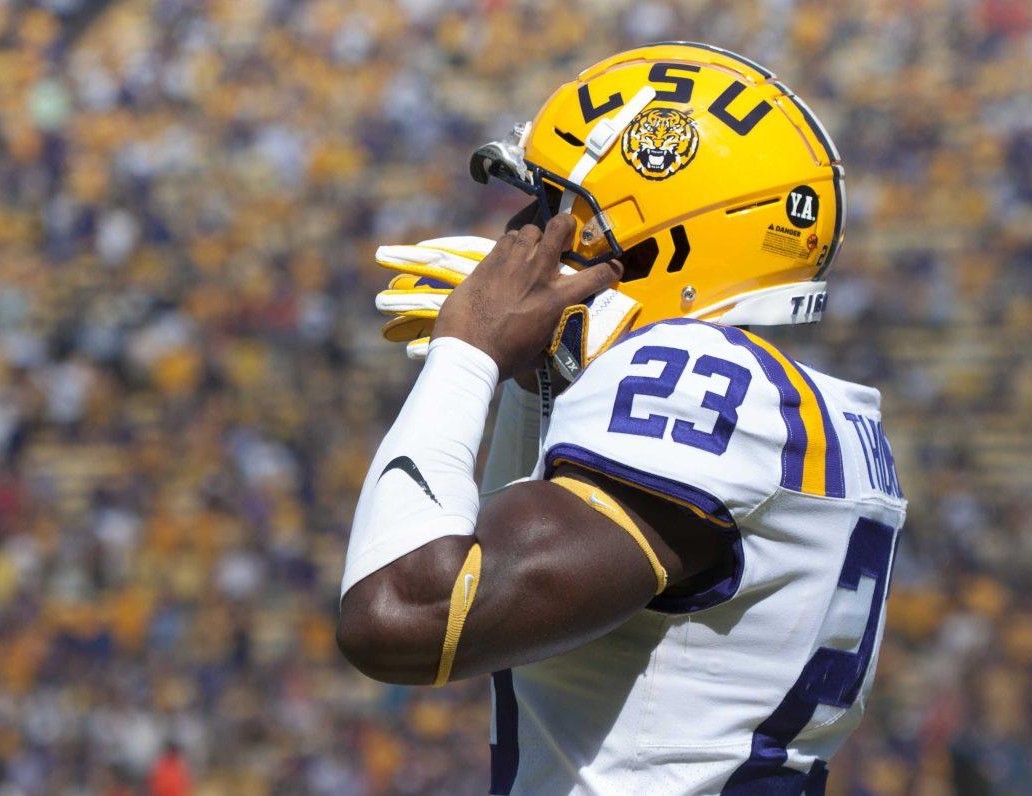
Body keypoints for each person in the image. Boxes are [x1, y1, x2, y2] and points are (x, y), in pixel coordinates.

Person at [337, 43, 907, 794]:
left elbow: (404, 613)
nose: (520, 231)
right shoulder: (804, 406)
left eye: (550, 203)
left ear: (652, 238)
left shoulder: (694, 372)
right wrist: (540, 373)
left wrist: (467, 352)